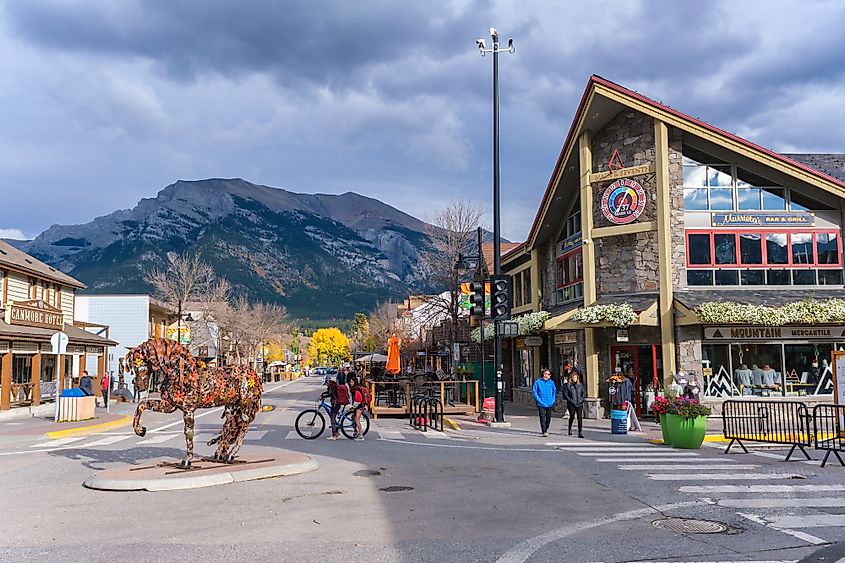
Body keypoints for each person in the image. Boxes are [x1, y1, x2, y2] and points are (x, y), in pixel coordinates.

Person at [532, 369, 557, 437]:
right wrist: (539, 400)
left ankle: (546, 427)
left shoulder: (551, 382)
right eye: (546, 374)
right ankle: (544, 431)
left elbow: (554, 392)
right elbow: (534, 391)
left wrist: (553, 400)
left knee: (548, 417)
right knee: (542, 417)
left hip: (549, 402)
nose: (547, 375)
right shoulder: (538, 382)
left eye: (548, 374)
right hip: (541, 403)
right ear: (543, 374)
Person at [563, 372, 585, 438]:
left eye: (576, 377)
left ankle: (580, 431)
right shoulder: (568, 385)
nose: (574, 378)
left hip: (579, 403)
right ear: (571, 378)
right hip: (571, 404)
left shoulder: (580, 385)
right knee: (572, 416)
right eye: (573, 377)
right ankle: (570, 428)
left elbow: (583, 393)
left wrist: (581, 400)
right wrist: (570, 401)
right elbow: (566, 395)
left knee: (580, 417)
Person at [347, 375, 366, 441]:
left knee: (357, 420)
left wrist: (353, 407)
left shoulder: (356, 390)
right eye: (350, 382)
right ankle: (356, 431)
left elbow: (358, 400)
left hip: (359, 406)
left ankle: (361, 435)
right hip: (358, 405)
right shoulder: (357, 388)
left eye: (352, 382)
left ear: (355, 382)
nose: (350, 383)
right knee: (353, 418)